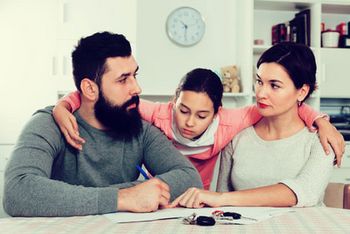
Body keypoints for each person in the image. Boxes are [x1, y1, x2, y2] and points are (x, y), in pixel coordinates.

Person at [3, 32, 203, 217]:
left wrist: (130, 195)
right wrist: (123, 197)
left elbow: (189, 178)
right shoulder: (49, 123)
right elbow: (17, 191)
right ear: (90, 89)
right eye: (123, 80)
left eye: (135, 75)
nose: (137, 88)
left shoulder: (140, 130)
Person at [53, 69, 344, 190]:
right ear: (173, 103)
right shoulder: (157, 113)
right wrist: (63, 105)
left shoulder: (235, 120)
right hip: (161, 197)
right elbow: (107, 94)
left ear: (217, 113)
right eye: (183, 110)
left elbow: (283, 105)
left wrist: (320, 120)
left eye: (202, 115)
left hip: (205, 200)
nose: (189, 122)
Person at [168, 42, 335, 208]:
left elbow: (305, 192)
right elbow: (221, 203)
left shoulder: (323, 139)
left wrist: (222, 199)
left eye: (274, 85)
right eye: (259, 81)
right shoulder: (238, 136)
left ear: (302, 92)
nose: (261, 93)